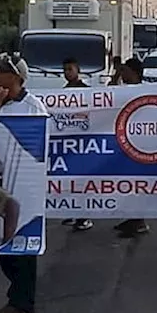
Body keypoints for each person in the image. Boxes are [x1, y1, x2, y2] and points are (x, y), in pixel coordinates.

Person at [0, 52, 49, 313]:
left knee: (23, 251)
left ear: (17, 78)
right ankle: (14, 301)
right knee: (3, 250)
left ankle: (26, 310)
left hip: (23, 190)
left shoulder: (34, 107)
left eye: (2, 71)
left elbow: (40, 147)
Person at [114, 58, 151, 238]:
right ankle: (131, 218)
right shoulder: (124, 89)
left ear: (134, 72)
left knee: (138, 184)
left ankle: (139, 221)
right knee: (127, 184)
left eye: (125, 71)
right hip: (125, 142)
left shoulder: (145, 90)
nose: (123, 75)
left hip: (139, 144)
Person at [58, 59, 94, 232]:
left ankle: (84, 216)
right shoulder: (64, 92)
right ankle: (72, 212)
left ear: (78, 70)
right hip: (69, 142)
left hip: (83, 142)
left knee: (82, 181)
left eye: (70, 69)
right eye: (65, 69)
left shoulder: (85, 91)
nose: (67, 72)